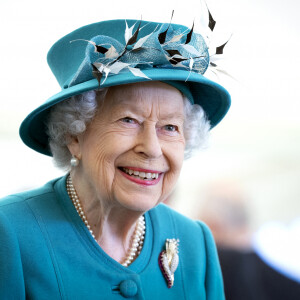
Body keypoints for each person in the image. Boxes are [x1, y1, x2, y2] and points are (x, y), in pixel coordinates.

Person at [0, 17, 231, 299]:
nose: (152, 148)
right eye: (129, 120)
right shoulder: (10, 231)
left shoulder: (195, 243)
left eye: (170, 127)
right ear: (74, 135)